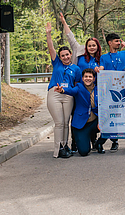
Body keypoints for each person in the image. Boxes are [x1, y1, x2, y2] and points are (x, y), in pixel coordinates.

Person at [61, 13, 102, 151]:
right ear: (86, 46)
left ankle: (93, 140)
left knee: (93, 112)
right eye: (89, 45)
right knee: (76, 113)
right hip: (79, 89)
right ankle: (74, 143)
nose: (91, 47)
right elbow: (70, 37)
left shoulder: (100, 59)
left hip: (93, 90)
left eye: (94, 45)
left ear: (97, 47)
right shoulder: (79, 51)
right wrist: (64, 22)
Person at [97, 33, 125, 152]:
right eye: (116, 41)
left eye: (119, 41)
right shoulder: (104, 57)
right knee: (113, 116)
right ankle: (114, 141)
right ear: (110, 43)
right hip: (111, 90)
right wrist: (98, 70)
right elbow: (101, 68)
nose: (119, 43)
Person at [45, 22, 82, 158]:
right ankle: (58, 148)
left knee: (66, 122)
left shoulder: (76, 69)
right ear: (59, 57)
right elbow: (51, 48)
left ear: (71, 54)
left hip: (68, 95)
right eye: (63, 56)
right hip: (55, 93)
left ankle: (65, 145)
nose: (65, 57)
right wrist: (48, 34)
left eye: (67, 55)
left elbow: (77, 84)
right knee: (59, 122)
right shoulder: (57, 63)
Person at [54, 68, 98, 156]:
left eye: (90, 77)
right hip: (81, 124)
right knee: (84, 151)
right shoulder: (79, 87)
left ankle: (99, 143)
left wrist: (102, 122)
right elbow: (72, 91)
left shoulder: (98, 89)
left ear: (94, 79)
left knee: (111, 125)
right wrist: (63, 91)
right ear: (82, 78)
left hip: (94, 121)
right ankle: (84, 139)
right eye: (86, 76)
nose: (88, 78)